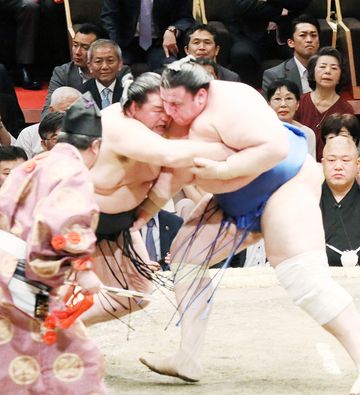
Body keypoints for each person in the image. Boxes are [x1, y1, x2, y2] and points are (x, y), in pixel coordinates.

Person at [136, 58, 360, 395]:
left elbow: (275, 149)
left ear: (201, 96)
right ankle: (188, 357)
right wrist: (134, 222)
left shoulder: (234, 102)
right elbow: (169, 179)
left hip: (285, 185)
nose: (170, 110)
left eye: (177, 104)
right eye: (166, 102)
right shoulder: (175, 115)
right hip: (234, 200)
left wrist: (223, 171)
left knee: (305, 279)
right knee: (184, 258)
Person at [81, 72, 230, 325]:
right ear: (134, 107)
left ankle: (65, 327)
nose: (166, 116)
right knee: (49, 291)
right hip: (75, 222)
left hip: (120, 224)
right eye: (158, 109)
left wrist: (145, 214)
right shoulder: (119, 125)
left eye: (170, 109)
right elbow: (170, 156)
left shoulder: (164, 128)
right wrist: (233, 147)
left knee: (136, 294)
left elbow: (170, 177)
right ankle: (46, 334)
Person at [0, 93, 107, 394]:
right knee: (79, 358)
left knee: (15, 355)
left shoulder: (34, 164)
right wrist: (83, 268)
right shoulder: (75, 173)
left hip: (7, 271)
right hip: (28, 282)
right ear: (95, 145)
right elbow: (62, 222)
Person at [295, 47, 354, 161]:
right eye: (322, 67)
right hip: (301, 166)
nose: (327, 71)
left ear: (340, 76)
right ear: (312, 72)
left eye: (334, 68)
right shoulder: (300, 103)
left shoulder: (346, 109)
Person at [42, 23, 106, 116]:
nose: (77, 52)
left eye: (85, 47)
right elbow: (48, 112)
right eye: (75, 45)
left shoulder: (117, 72)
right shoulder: (62, 73)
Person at [321, 136, 360, 267]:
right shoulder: (307, 203)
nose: (338, 166)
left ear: (358, 164)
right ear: (323, 163)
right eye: (331, 160)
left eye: (345, 160)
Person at [262, 14, 320, 95]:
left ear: (319, 42)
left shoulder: (329, 70)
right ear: (291, 42)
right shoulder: (274, 76)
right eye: (303, 35)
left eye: (313, 35)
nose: (309, 40)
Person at [17, 87, 81, 158]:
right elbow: (19, 165)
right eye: (67, 111)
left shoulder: (90, 134)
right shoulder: (29, 134)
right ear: (51, 110)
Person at [267, 78, 316, 157]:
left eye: (289, 98)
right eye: (277, 99)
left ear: (297, 105)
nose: (283, 104)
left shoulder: (306, 133)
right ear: (269, 104)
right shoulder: (259, 132)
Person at [82, 39, 130, 109]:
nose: (105, 66)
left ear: (120, 64)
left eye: (110, 61)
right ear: (90, 66)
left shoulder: (128, 91)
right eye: (98, 61)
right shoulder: (82, 93)